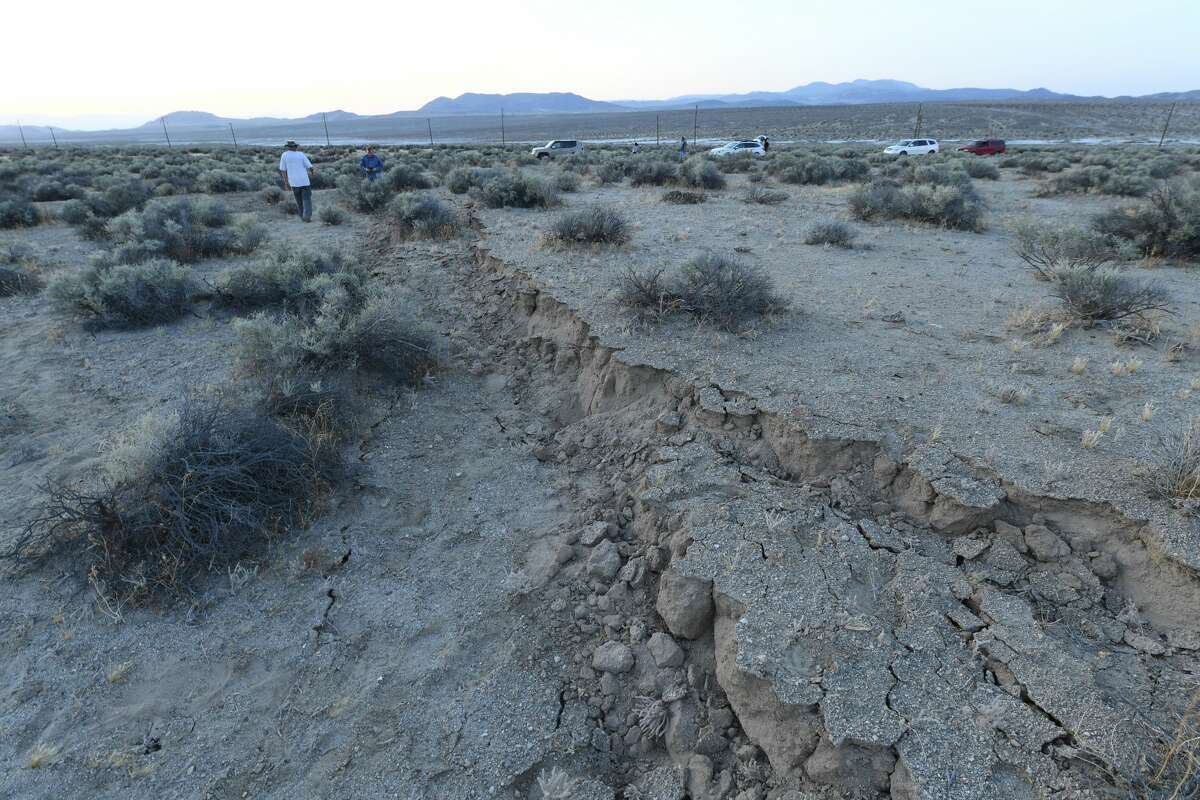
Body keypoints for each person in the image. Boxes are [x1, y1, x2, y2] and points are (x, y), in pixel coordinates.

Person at [279, 140, 314, 222]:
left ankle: (302, 217)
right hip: (304, 181)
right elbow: (310, 166)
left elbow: (283, 170)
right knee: (307, 200)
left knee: (299, 201)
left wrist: (286, 182)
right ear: (295, 147)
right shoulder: (301, 154)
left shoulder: (284, 155)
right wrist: (312, 173)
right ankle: (307, 217)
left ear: (288, 147)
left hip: (294, 182)